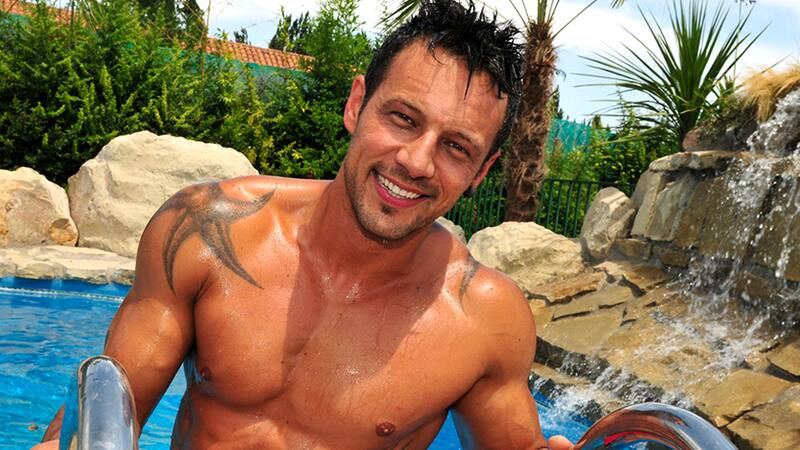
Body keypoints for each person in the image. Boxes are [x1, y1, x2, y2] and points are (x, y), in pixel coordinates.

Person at [35, 0, 573, 448]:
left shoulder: (484, 319)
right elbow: (103, 411)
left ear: (481, 172)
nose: (416, 162)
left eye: (456, 147)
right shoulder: (206, 233)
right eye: (403, 119)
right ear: (357, 104)